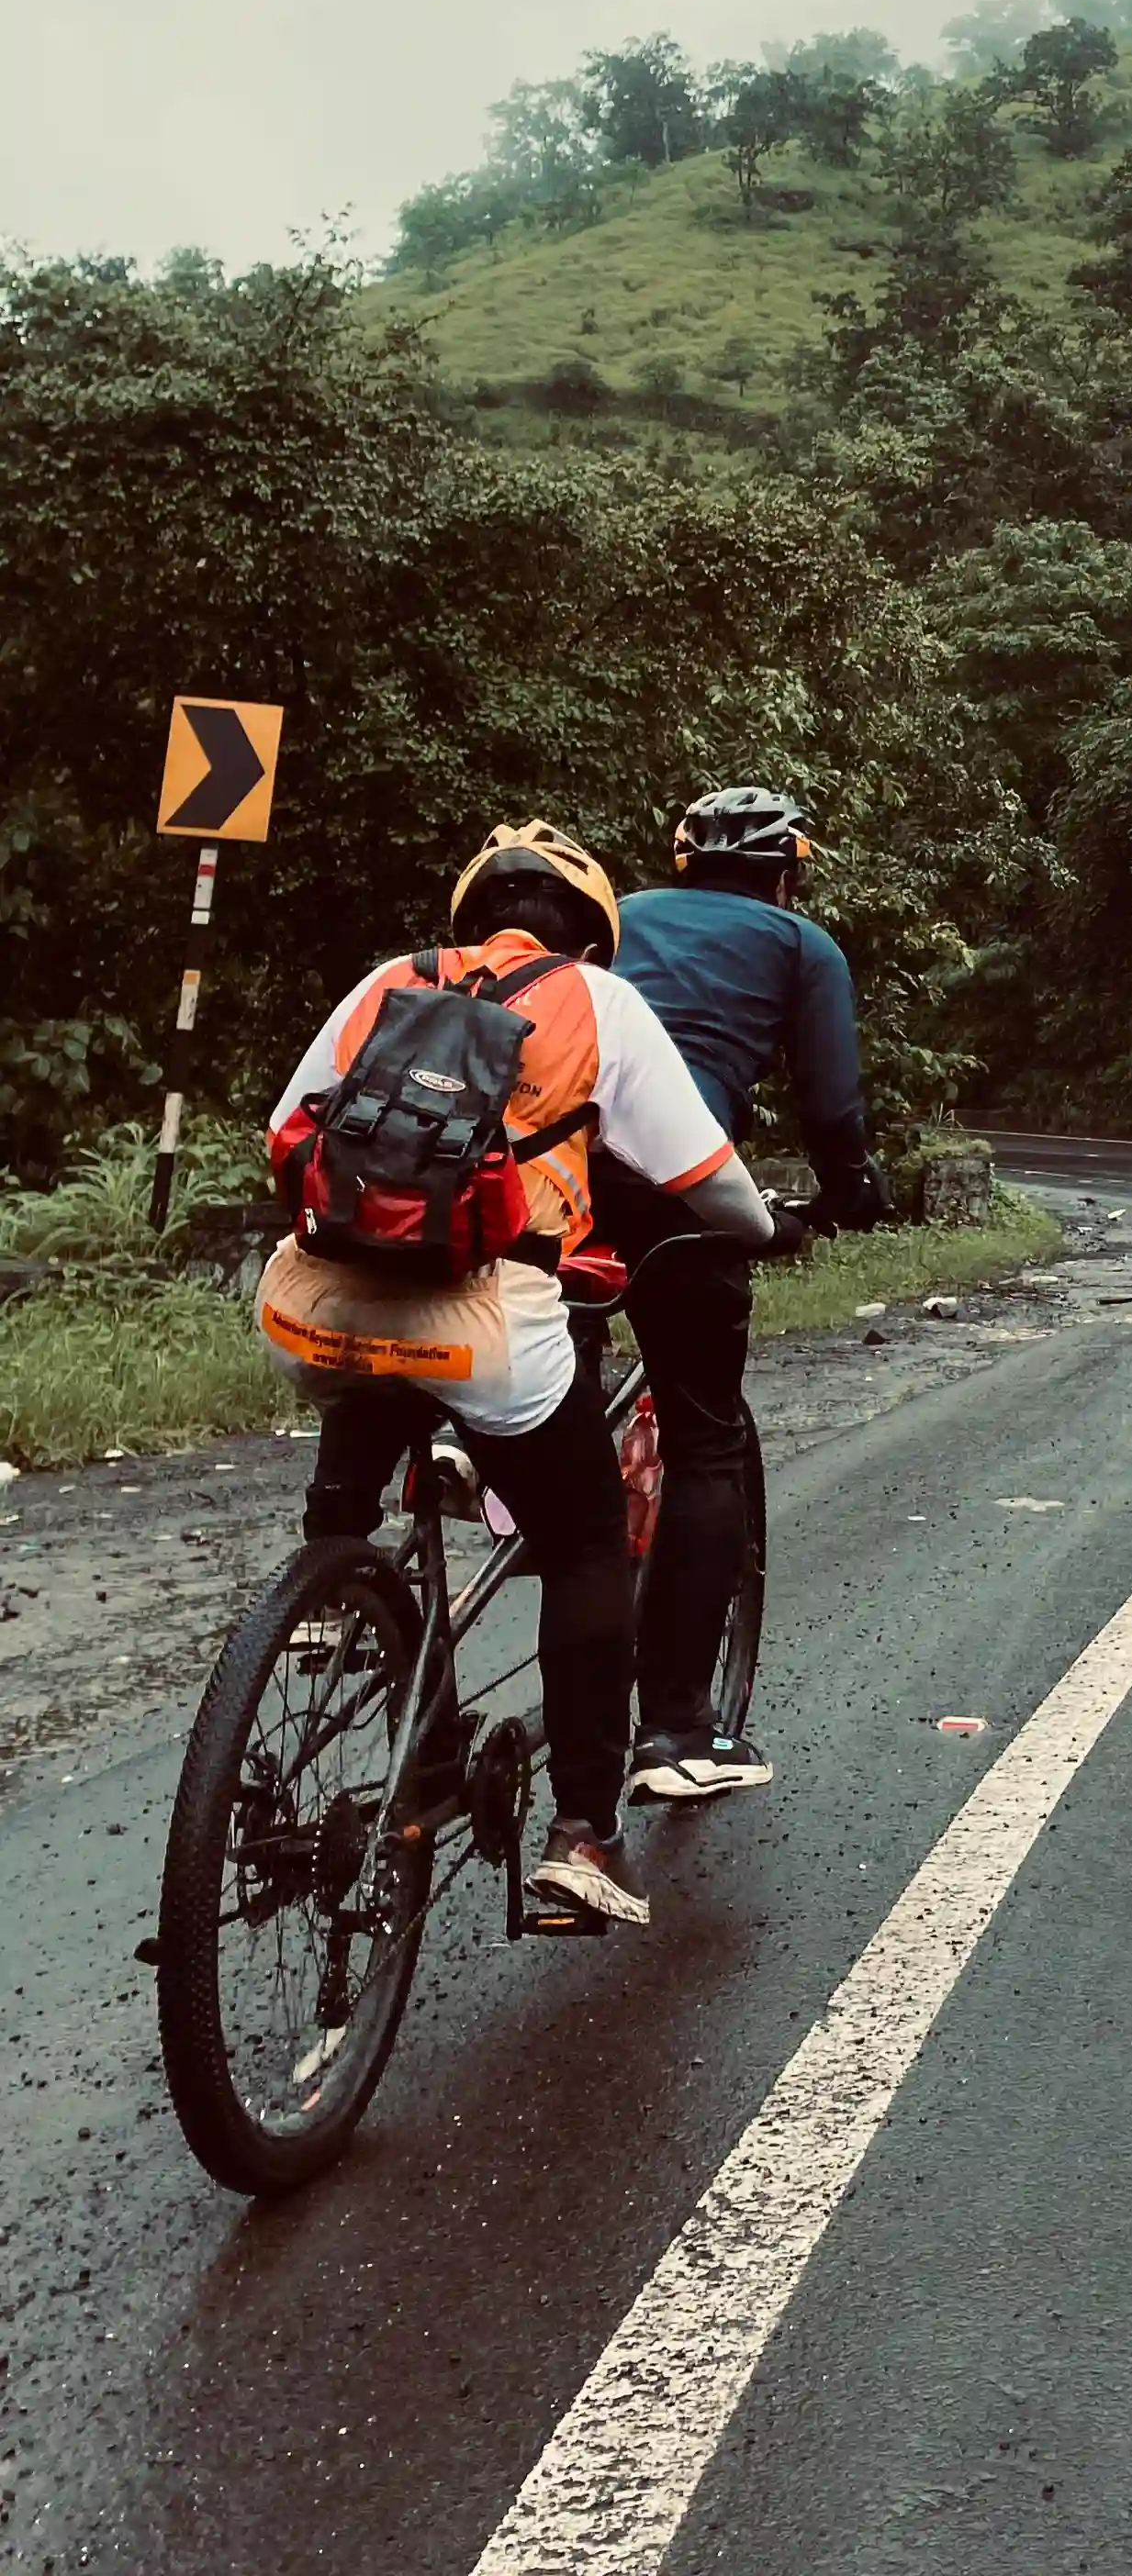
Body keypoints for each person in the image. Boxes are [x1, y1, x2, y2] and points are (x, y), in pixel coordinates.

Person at [256, 821, 779, 1928]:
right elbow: (706, 1176)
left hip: (314, 1307)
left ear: (471, 914)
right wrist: (761, 1227)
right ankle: (585, 1833)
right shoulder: (599, 1003)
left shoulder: (388, 983)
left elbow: (284, 1129)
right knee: (587, 1539)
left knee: (373, 1380)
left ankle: (334, 1585)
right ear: (592, 933)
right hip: (493, 1326)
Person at [602, 785, 891, 1803]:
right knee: (704, 1438)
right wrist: (852, 1192)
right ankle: (678, 1726)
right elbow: (830, 1102)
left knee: (534, 1373)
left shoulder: (616, 918)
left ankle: (480, 1463)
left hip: (544, 1176)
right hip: (677, 1193)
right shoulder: (798, 943)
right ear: (786, 872)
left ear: (681, 866)